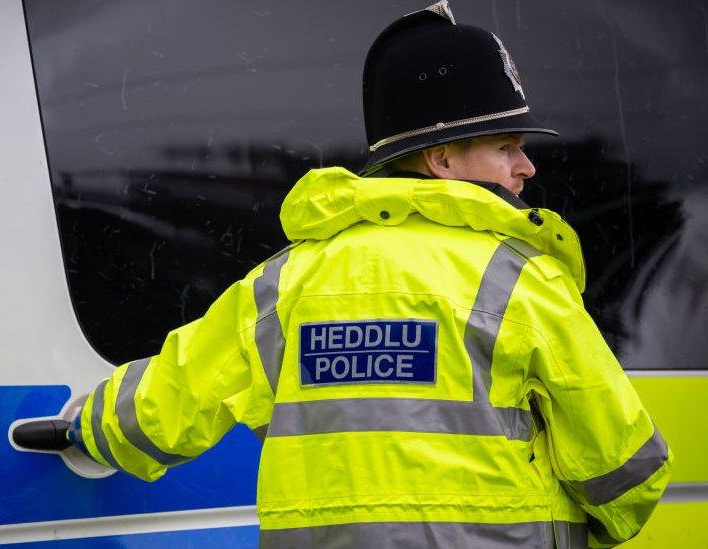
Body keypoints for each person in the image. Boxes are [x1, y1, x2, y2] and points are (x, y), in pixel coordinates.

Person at [56, 2, 672, 547]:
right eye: (507, 147)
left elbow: (171, 398)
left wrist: (85, 428)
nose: (527, 167)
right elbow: (624, 466)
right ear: (443, 160)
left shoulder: (289, 282)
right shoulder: (520, 282)